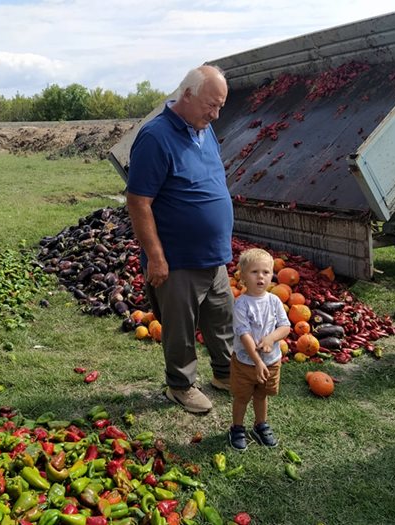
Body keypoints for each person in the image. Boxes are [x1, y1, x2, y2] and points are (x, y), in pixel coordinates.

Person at [126, 65, 234, 414]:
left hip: (212, 255)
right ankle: (180, 385)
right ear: (187, 94)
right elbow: (139, 201)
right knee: (180, 330)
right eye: (210, 105)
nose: (215, 115)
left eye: (220, 107)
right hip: (177, 258)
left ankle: (224, 374)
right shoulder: (156, 136)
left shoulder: (204, 128)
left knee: (221, 320)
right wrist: (155, 256)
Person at [227, 248, 291, 451]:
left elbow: (285, 326)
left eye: (265, 272)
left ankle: (260, 425)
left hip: (271, 360)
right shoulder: (241, 304)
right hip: (246, 363)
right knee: (242, 397)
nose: (261, 276)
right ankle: (237, 428)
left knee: (262, 395)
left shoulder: (274, 301)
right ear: (243, 277)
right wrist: (257, 361)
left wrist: (271, 338)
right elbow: (244, 335)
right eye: (254, 272)